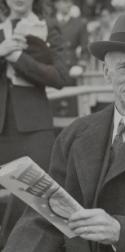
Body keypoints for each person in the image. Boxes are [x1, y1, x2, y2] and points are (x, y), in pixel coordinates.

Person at [3, 14, 125, 252]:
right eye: (124, 67)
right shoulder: (74, 134)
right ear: (106, 73)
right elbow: (42, 219)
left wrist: (120, 230)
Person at [0, 0, 70, 245]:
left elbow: (61, 76)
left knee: (35, 201)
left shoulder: (48, 26)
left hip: (34, 128)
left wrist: (18, 57)